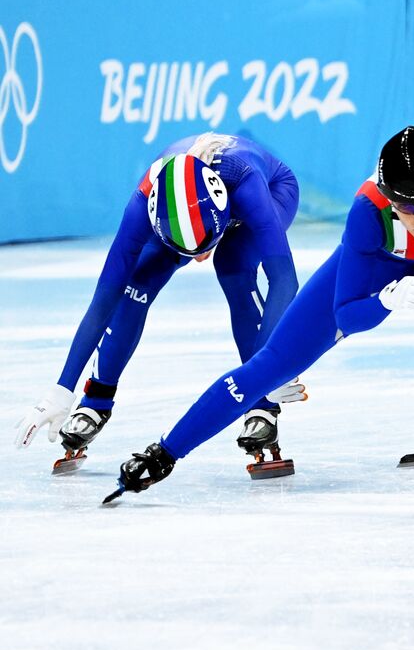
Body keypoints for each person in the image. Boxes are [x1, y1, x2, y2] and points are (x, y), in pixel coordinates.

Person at [103, 127, 414, 508]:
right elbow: (348, 314)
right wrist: (386, 299)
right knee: (269, 366)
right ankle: (164, 453)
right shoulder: (367, 214)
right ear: (388, 198)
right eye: (404, 204)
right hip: (380, 264)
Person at [13, 133, 303, 474]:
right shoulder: (142, 203)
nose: (198, 261)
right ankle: (96, 400)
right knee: (138, 280)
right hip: (194, 209)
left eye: (204, 246)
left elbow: (285, 279)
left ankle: (262, 403)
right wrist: (61, 390)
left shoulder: (245, 185)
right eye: (188, 252)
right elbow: (103, 299)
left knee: (234, 265)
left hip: (273, 189)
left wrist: (274, 368)